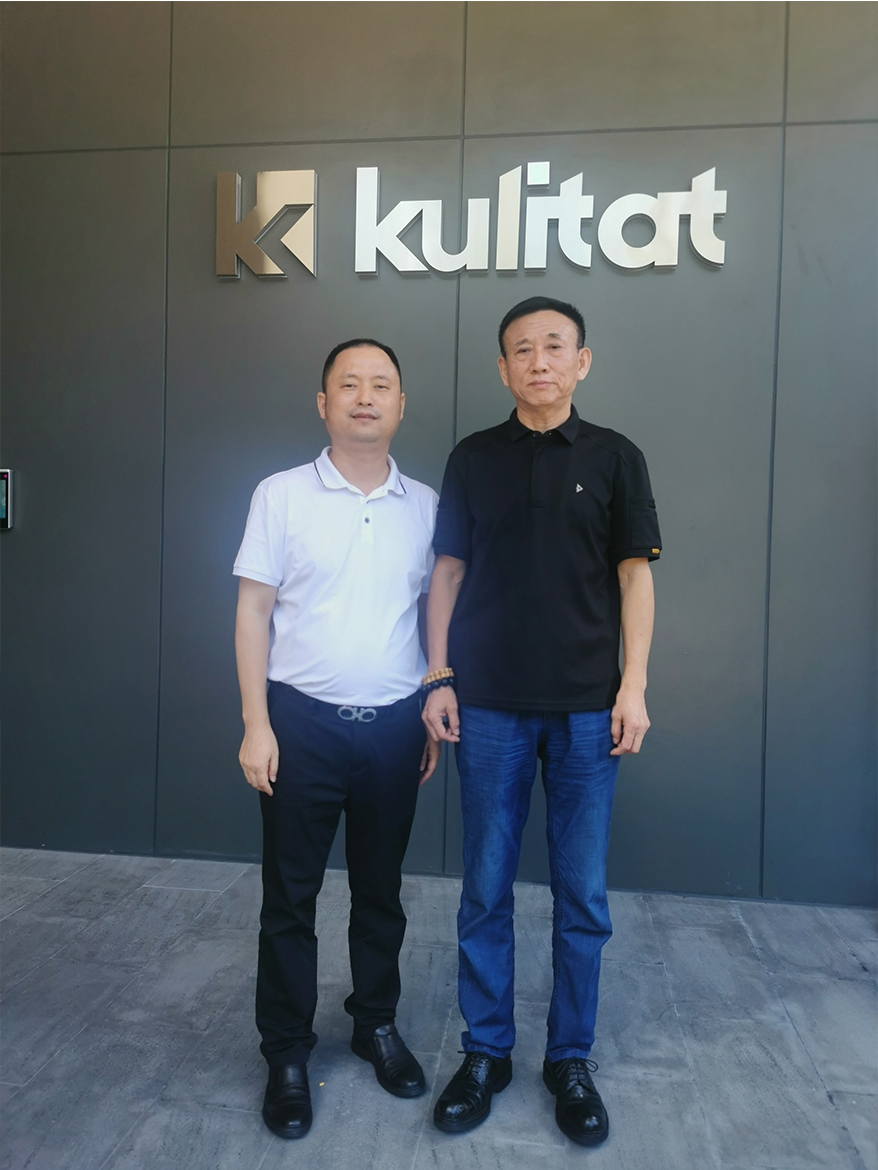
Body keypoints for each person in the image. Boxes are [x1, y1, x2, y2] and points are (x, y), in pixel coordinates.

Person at [423, 296, 661, 1147]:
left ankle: (570, 1060)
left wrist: (633, 687)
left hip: (589, 712)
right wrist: (438, 675)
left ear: (581, 361)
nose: (539, 361)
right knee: (485, 887)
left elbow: (634, 578)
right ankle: (485, 1053)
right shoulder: (473, 457)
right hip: (487, 705)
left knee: (581, 895)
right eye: (521, 349)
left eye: (554, 346)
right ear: (503, 368)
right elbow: (447, 573)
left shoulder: (616, 456)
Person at [233, 339, 440, 1140]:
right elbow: (253, 611)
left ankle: (374, 1024)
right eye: (348, 385)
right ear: (323, 404)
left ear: (400, 405)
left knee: (380, 893)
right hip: (300, 725)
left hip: (393, 728)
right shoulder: (281, 494)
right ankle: (286, 1052)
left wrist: (427, 703)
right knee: (290, 899)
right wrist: (256, 723)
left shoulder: (425, 506)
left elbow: (432, 616)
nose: (365, 397)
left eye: (380, 385)